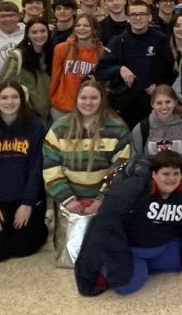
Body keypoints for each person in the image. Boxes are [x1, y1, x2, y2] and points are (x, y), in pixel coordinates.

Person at [75, 150, 182, 295]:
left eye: (176, 174)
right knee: (126, 286)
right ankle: (113, 268)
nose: (171, 179)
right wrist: (117, 258)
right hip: (132, 249)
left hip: (161, 247)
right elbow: (107, 220)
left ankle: (145, 266)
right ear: (154, 174)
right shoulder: (134, 188)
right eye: (166, 174)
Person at [0, 82, 48, 262]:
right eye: (4, 97)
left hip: (26, 200)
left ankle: (40, 225)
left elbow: (36, 169)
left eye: (15, 97)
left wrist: (28, 203)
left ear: (22, 100)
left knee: (23, 249)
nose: (9, 102)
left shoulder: (35, 127)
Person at [43, 80, 131, 222]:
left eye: (94, 98)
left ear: (102, 100)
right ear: (76, 99)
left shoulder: (118, 129)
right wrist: (67, 199)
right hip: (68, 204)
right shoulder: (59, 128)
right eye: (83, 98)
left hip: (103, 205)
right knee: (67, 244)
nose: (88, 103)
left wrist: (101, 200)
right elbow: (50, 167)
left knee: (98, 243)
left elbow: (120, 169)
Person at [95, 0, 174, 125]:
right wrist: (119, 69)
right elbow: (100, 71)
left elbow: (170, 70)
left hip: (154, 107)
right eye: (133, 15)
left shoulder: (162, 40)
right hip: (123, 108)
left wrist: (160, 84)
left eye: (142, 14)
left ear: (149, 17)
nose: (138, 18)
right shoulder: (118, 41)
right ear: (128, 18)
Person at [128, 85, 182, 179]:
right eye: (159, 103)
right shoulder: (142, 128)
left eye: (168, 102)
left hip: (180, 181)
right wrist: (150, 180)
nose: (164, 107)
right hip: (149, 183)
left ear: (175, 102)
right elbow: (135, 160)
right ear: (152, 104)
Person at [48, 14, 103, 122]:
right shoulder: (62, 48)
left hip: (89, 109)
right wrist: (52, 99)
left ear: (94, 29)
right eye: (78, 25)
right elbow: (55, 78)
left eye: (86, 26)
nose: (81, 28)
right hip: (62, 108)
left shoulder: (101, 52)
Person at [0, 18, 53, 120]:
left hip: (50, 116)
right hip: (25, 115)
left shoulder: (54, 55)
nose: (39, 35)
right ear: (28, 35)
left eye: (43, 31)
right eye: (34, 32)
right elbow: (3, 85)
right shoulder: (17, 57)